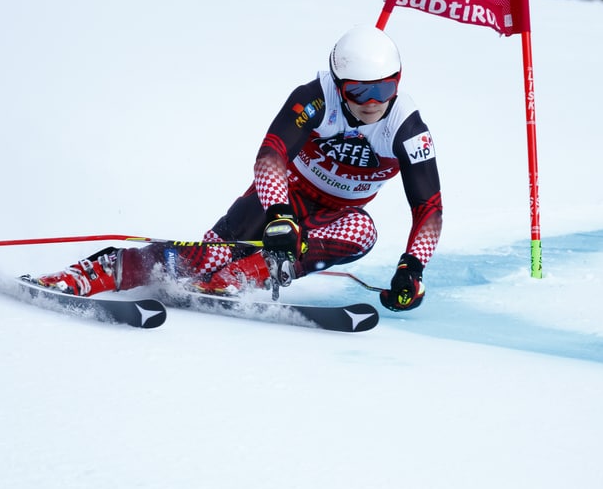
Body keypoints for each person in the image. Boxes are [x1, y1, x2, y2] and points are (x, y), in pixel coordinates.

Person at [31, 25, 443, 311]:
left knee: (363, 231)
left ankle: (238, 280)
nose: (373, 101)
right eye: (359, 90)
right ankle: (101, 271)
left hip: (337, 216)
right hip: (279, 198)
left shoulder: (406, 128)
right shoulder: (315, 97)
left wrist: (412, 268)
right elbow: (271, 156)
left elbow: (429, 209)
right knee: (207, 256)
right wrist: (280, 216)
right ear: (339, 84)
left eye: (385, 88)